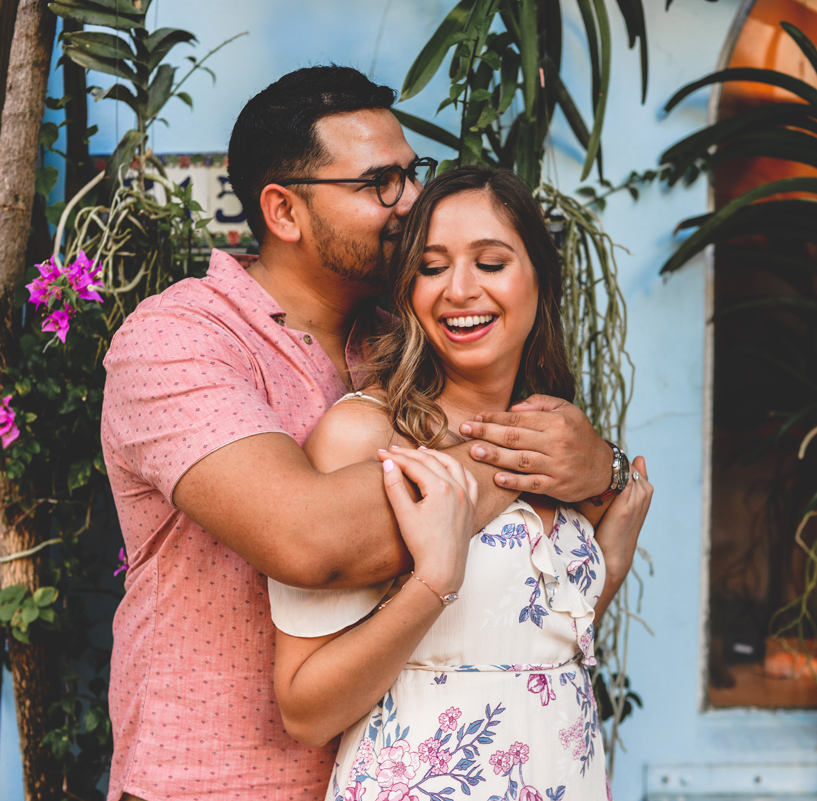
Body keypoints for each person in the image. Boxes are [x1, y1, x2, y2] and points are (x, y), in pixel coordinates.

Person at [101, 66, 632, 800]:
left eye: (414, 175)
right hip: (215, 781)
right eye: (380, 183)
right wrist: (526, 456)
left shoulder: (412, 336)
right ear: (284, 211)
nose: (411, 202)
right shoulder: (181, 340)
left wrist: (600, 469)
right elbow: (308, 538)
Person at [268, 166, 653, 801]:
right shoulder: (368, 436)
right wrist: (432, 584)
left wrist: (607, 566)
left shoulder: (554, 441)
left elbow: (528, 654)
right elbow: (306, 711)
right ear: (408, 289)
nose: (460, 289)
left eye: (492, 263)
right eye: (432, 266)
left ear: (539, 278)